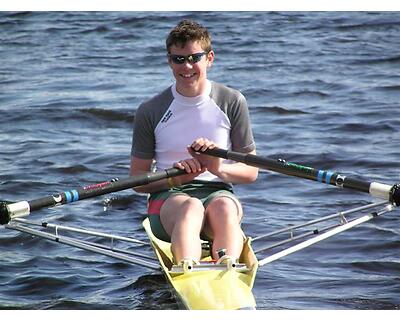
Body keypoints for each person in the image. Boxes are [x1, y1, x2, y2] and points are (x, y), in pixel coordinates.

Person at [130, 19, 258, 266]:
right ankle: (188, 269)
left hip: (217, 191)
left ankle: (228, 268)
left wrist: (216, 168)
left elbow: (251, 172)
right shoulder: (150, 110)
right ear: (169, 61)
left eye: (194, 58)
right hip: (168, 196)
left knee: (224, 209)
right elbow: (137, 178)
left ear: (209, 58)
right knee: (191, 208)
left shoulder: (232, 101)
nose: (186, 66)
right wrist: (175, 177)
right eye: (178, 59)